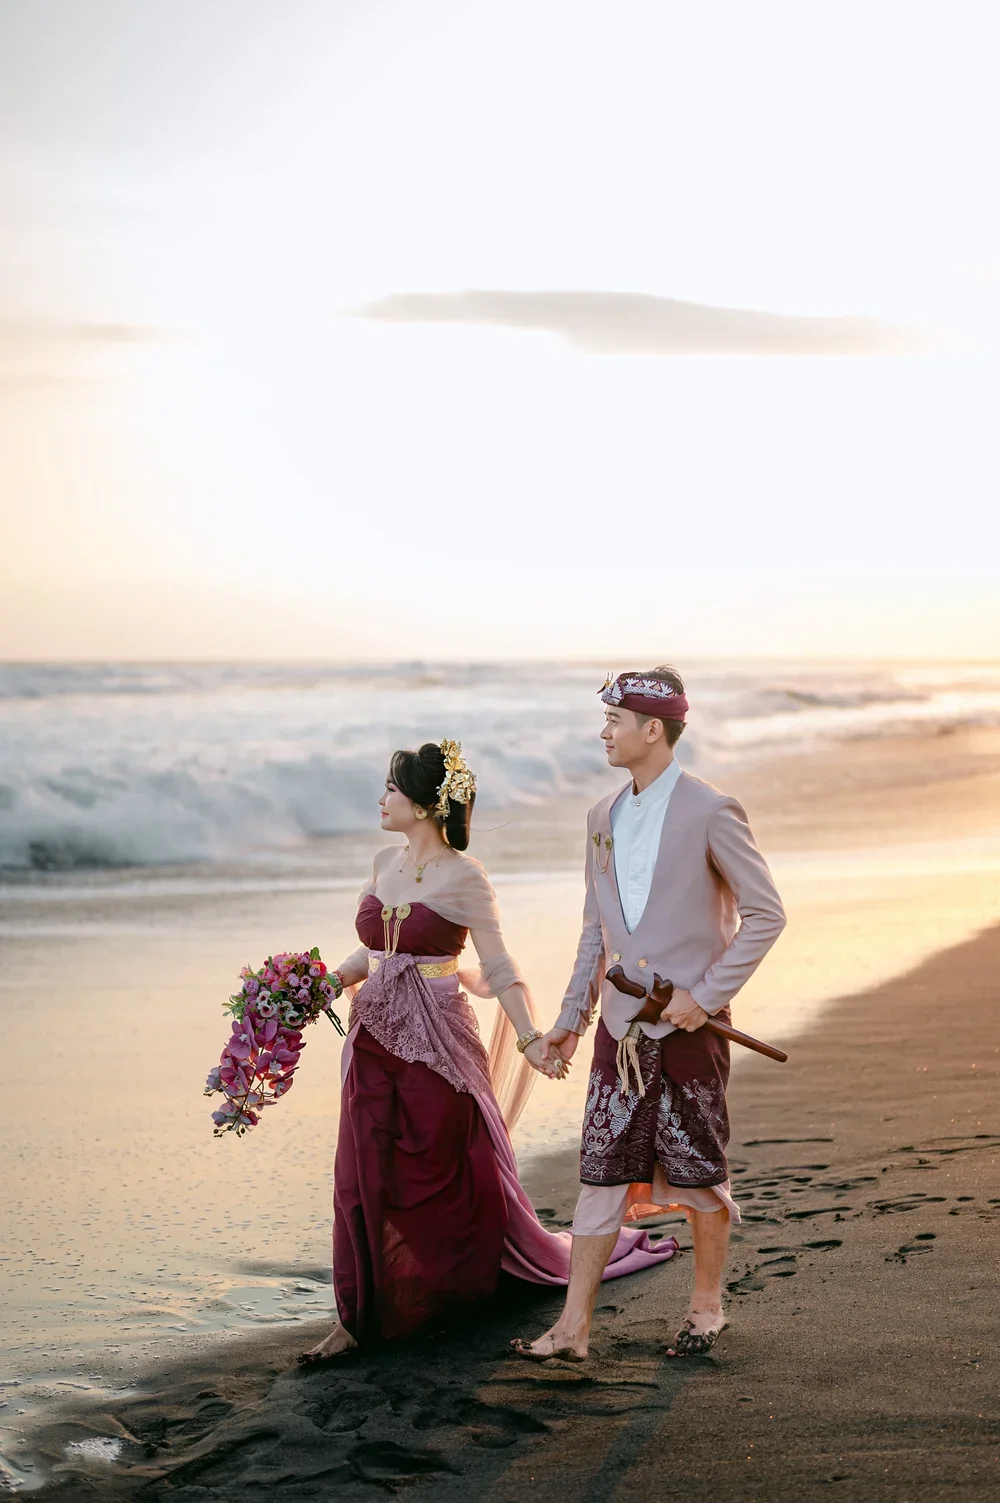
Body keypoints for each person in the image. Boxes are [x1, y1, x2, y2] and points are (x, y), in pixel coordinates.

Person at [300, 738, 675, 1361]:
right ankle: (354, 1316)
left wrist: (530, 1039)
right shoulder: (383, 861)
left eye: (392, 788)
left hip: (438, 1044)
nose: (382, 798)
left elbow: (498, 966)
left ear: (426, 805)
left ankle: (446, 1293)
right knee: (361, 1175)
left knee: (442, 1168)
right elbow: (374, 951)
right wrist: (320, 983)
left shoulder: (466, 878)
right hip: (370, 1041)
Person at [513, 668, 786, 1361]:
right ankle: (573, 1328)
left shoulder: (712, 810)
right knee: (600, 1173)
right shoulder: (599, 819)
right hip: (618, 1031)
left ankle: (706, 1307)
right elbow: (594, 932)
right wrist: (571, 1020)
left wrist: (707, 994)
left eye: (614, 720)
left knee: (701, 1175)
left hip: (690, 1029)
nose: (604, 732)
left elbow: (765, 914)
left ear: (653, 729)